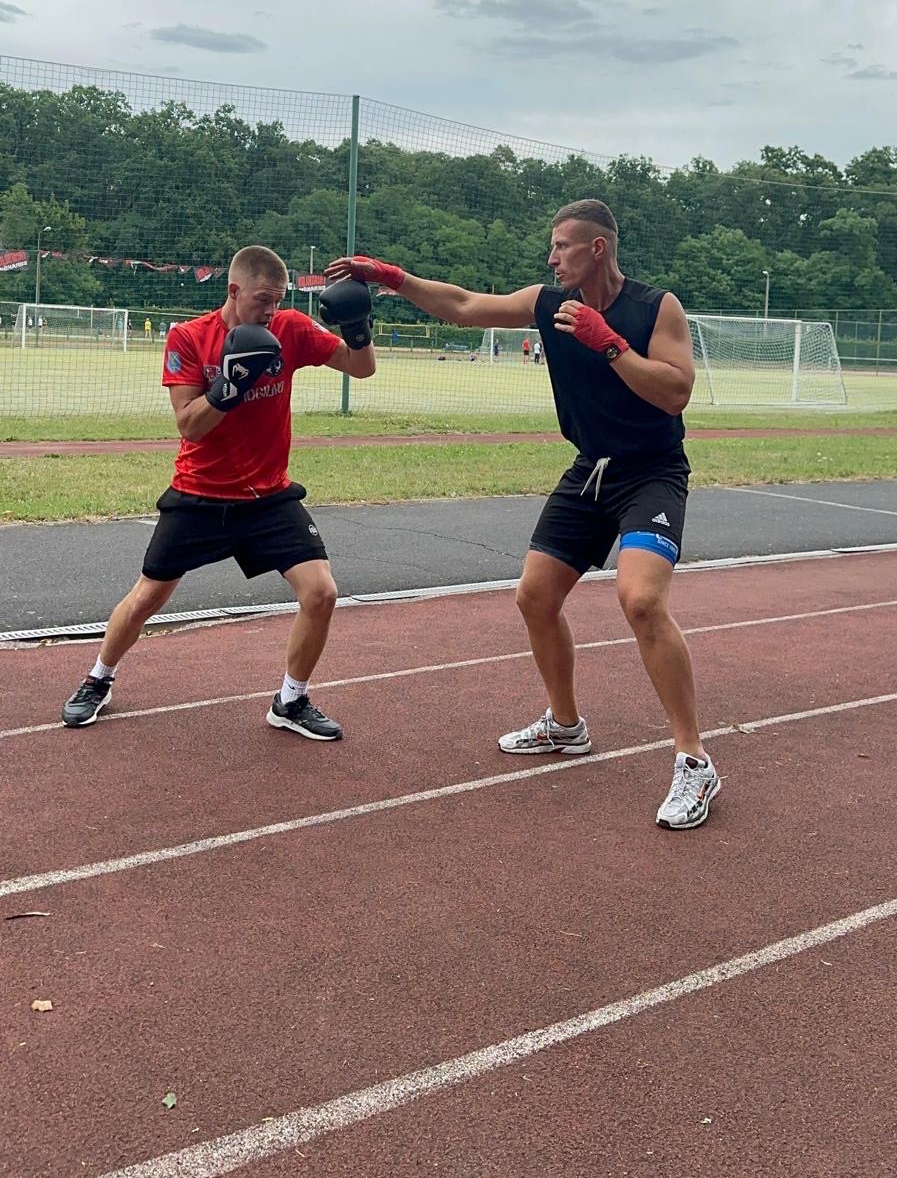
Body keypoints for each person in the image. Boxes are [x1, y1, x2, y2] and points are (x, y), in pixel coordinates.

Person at [327, 201, 719, 830]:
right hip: (589, 470)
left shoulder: (654, 307)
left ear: (596, 249)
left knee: (641, 600)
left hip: (651, 474)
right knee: (535, 597)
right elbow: (462, 305)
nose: (551, 256)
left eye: (561, 246)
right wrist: (391, 277)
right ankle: (565, 726)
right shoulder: (545, 302)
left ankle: (693, 760)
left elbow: (676, 392)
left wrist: (609, 343)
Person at [61, 245, 376, 740]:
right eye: (261, 300)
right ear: (233, 291)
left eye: (278, 299)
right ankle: (98, 678)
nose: (270, 310)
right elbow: (191, 427)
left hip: (268, 497)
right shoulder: (188, 337)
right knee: (148, 596)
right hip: (200, 495)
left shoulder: (289, 329)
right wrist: (229, 386)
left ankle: (290, 701)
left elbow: (361, 369)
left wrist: (359, 328)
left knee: (322, 593)